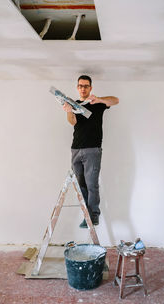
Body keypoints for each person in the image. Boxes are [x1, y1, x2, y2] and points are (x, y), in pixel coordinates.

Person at [63, 75, 119, 228]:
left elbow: (115, 100)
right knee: (81, 185)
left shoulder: (97, 104)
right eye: (80, 86)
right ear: (77, 87)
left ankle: (94, 216)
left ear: (90, 88)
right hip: (76, 149)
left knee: (91, 184)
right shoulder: (75, 105)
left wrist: (99, 99)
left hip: (92, 150)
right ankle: (86, 216)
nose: (83, 88)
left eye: (86, 86)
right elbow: (73, 122)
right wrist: (69, 110)